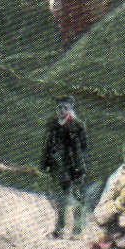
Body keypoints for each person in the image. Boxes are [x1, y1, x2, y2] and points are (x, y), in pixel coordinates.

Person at [38, 96, 90, 239]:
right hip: (58, 168)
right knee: (60, 200)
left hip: (74, 168)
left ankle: (77, 231)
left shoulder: (78, 126)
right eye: (59, 108)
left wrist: (79, 168)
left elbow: (83, 148)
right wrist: (44, 164)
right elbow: (47, 145)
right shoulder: (53, 125)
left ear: (71, 109)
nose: (61, 111)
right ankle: (59, 230)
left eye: (65, 108)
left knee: (77, 200)